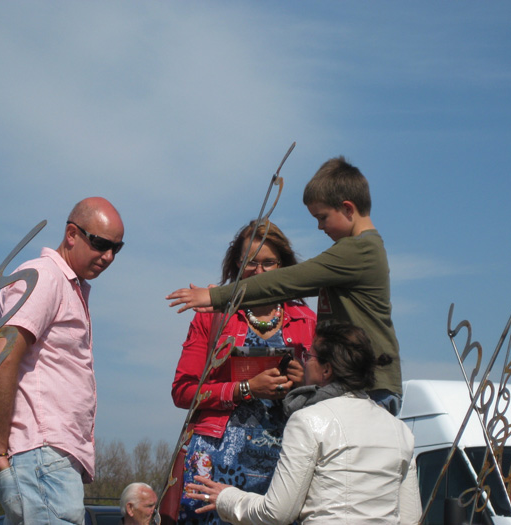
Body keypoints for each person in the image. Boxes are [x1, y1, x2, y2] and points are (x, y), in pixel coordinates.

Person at [167, 156, 402, 415]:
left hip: (370, 385)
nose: (319, 226)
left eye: (322, 217)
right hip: (356, 383)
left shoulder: (358, 250)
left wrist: (215, 296)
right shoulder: (358, 250)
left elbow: (287, 282)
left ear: (348, 208)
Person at [185, 321, 422, 524]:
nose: (305, 361)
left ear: (326, 370)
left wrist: (227, 497)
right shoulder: (399, 430)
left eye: (309, 356)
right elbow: (411, 518)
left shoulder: (309, 420)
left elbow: (278, 512)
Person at [0, 197, 125, 524]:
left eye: (117, 248)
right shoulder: (44, 277)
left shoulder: (67, 285)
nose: (108, 256)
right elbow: (1, 360)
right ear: (71, 234)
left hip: (48, 459)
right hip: (41, 458)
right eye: (101, 244)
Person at [169, 220, 316, 524]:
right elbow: (183, 392)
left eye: (268, 263)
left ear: (284, 265)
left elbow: (328, 399)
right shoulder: (213, 316)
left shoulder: (308, 321)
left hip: (284, 466)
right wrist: (245, 388)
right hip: (215, 458)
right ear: (237, 264)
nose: (258, 272)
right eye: (250, 263)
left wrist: (305, 384)